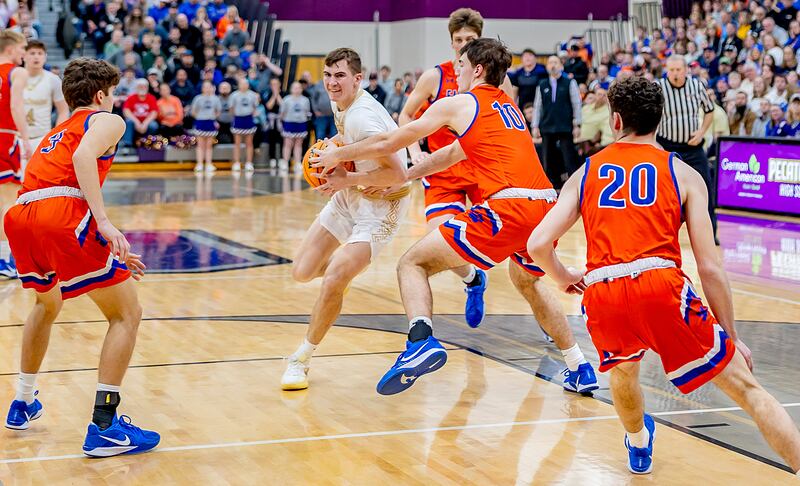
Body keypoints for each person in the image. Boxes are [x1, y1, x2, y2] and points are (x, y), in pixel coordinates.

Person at [526, 75, 800, 476]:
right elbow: (709, 266)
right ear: (660, 118)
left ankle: (638, 443)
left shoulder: (586, 171)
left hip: (603, 290)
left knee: (622, 371)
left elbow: (537, 245)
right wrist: (732, 336)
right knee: (748, 390)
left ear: (615, 121)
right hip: (660, 285)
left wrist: (565, 276)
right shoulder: (683, 173)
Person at [312, 38, 598, 396]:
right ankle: (579, 366)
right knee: (527, 281)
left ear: (477, 69)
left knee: (412, 264)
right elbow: (451, 154)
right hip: (544, 207)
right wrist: (401, 177)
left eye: (460, 64)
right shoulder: (505, 106)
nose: (455, 70)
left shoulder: (461, 102)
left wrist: (339, 157)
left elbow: (390, 141)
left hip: (508, 207)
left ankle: (420, 340)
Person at [3, 57, 160, 456]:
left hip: (22, 216)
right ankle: (105, 427)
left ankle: (23, 400)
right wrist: (104, 224)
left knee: (46, 303)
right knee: (127, 314)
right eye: (114, 93)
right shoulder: (107, 120)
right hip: (61, 214)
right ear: (101, 94)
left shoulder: (56, 131)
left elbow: (56, 186)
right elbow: (81, 162)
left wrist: (100, 241)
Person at [280, 48, 411, 391]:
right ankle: (343, 274)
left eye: (340, 76)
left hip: (382, 206)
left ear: (358, 79)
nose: (332, 82)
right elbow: (354, 146)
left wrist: (346, 176)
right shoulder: (345, 108)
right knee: (302, 270)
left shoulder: (362, 116)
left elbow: (398, 176)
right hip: (350, 195)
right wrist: (332, 151)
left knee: (333, 278)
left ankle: (301, 358)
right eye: (328, 75)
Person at [657, 56, 717, 243]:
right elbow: (649, 113)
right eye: (671, 70)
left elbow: (709, 110)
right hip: (667, 147)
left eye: (678, 70)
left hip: (693, 147)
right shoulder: (658, 87)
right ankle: (662, 235)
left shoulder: (696, 86)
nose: (675, 73)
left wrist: (701, 132)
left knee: (705, 187)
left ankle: (710, 234)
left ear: (685, 70)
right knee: (663, 193)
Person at [0, 30, 30, 280]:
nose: (25, 54)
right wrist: (26, 138)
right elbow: (15, 106)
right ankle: (3, 258)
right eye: (22, 48)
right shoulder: (16, 72)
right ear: (11, 49)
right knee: (7, 202)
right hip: (5, 136)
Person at [532, 56, 582, 189]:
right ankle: (551, 185)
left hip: (564, 124)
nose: (552, 65)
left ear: (561, 66)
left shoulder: (569, 82)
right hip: (547, 125)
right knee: (548, 157)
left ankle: (573, 185)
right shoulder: (542, 84)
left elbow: (576, 103)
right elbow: (538, 106)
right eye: (550, 63)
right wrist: (535, 125)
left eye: (555, 62)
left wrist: (577, 123)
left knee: (568, 157)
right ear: (547, 66)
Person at [22, 40, 70, 177]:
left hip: (42, 137)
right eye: (32, 53)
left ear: (45, 56)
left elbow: (63, 110)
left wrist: (55, 136)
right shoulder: (14, 77)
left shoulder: (53, 80)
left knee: (40, 181)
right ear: (24, 55)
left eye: (40, 53)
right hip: (17, 138)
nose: (36, 57)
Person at [279, 81, 311, 172]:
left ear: (301, 89)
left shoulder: (305, 100)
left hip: (301, 123)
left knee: (298, 144)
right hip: (289, 123)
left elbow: (307, 112)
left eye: (299, 88)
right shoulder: (286, 99)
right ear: (291, 89)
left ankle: (297, 162)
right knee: (288, 143)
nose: (297, 90)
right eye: (295, 88)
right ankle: (285, 162)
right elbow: (282, 113)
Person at [230, 76, 259, 173]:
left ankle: (249, 163)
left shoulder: (253, 95)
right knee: (237, 143)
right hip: (238, 119)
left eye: (245, 84)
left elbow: (255, 108)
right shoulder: (234, 95)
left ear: (248, 85)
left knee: (249, 143)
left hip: (249, 119)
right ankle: (237, 163)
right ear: (239, 85)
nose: (244, 86)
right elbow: (231, 109)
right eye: (241, 84)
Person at [190, 80, 221, 173]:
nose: (207, 89)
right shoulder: (198, 98)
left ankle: (208, 163)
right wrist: (200, 117)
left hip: (210, 122)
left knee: (209, 145)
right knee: (200, 145)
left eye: (209, 87)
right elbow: (193, 111)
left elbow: (218, 111)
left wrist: (212, 117)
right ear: (202, 88)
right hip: (200, 122)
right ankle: (199, 164)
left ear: (212, 88)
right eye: (205, 87)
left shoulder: (215, 99)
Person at [122, 79, 159, 148]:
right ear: (136, 88)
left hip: (146, 122)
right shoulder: (131, 97)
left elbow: (154, 113)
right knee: (128, 122)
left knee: (154, 125)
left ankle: (148, 144)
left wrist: (145, 123)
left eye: (144, 86)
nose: (142, 88)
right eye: (140, 86)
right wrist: (137, 122)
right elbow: (126, 111)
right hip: (134, 121)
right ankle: (127, 145)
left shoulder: (151, 98)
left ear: (147, 88)